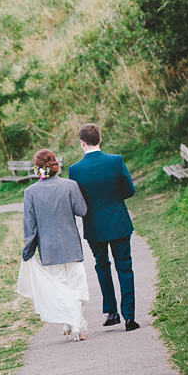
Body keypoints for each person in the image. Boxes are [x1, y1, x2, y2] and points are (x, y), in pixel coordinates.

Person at [68, 123, 139, 331]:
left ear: (82, 142)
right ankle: (129, 317)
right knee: (124, 267)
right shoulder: (116, 161)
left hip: (94, 226)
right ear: (100, 139)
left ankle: (112, 312)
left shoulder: (75, 170)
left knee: (102, 266)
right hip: (119, 222)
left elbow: (78, 203)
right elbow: (129, 190)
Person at [17, 149, 90, 341]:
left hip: (49, 249)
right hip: (71, 246)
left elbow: (30, 227)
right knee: (77, 285)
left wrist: (28, 251)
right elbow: (82, 210)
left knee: (60, 287)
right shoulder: (70, 185)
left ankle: (70, 322)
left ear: (36, 168)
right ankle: (75, 324)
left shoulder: (30, 192)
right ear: (55, 164)